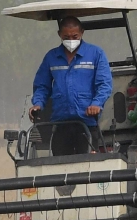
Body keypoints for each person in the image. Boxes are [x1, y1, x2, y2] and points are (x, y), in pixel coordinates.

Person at [29, 15, 113, 154]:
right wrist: (38, 104)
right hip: (61, 125)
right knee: (60, 167)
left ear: (82, 33)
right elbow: (42, 86)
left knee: (88, 168)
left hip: (87, 124)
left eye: (75, 36)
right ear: (59, 35)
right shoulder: (52, 57)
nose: (71, 40)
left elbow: (104, 84)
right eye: (66, 37)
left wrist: (96, 104)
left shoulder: (96, 54)